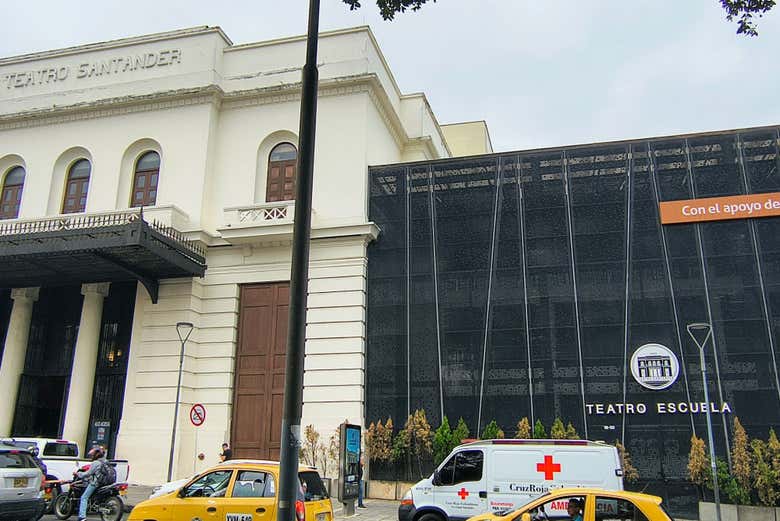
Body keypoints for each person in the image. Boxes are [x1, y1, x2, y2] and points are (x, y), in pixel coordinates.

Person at [75, 446, 108, 521]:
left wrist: (79, 474)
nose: (91, 456)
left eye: (92, 455)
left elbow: (88, 473)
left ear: (95, 455)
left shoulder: (96, 463)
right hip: (105, 483)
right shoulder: (106, 461)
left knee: (84, 497)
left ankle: (82, 517)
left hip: (96, 483)